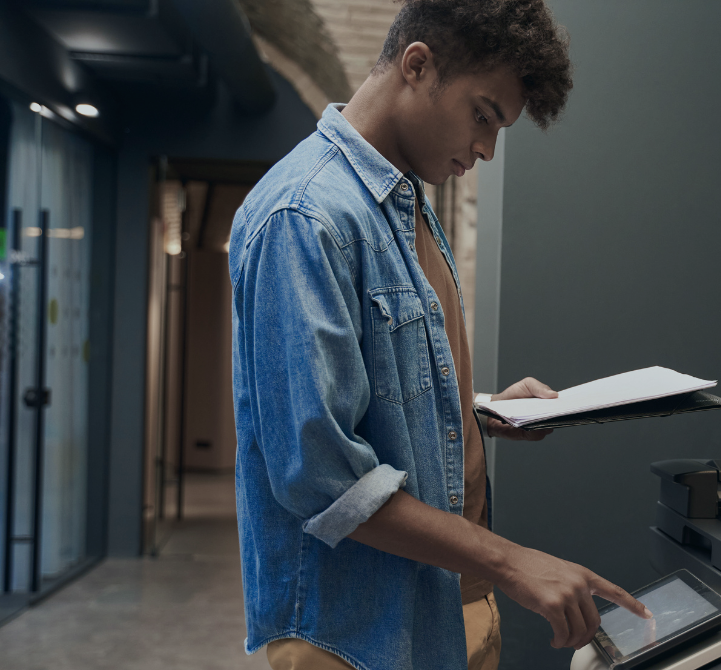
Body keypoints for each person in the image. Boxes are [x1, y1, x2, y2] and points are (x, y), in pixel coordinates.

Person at [229, 1, 650, 669]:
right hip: (355, 637)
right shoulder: (302, 215)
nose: (485, 148)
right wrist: (513, 562)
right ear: (417, 65)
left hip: (445, 607)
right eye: (484, 115)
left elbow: (367, 388)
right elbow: (323, 481)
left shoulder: (404, 205)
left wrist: (477, 413)